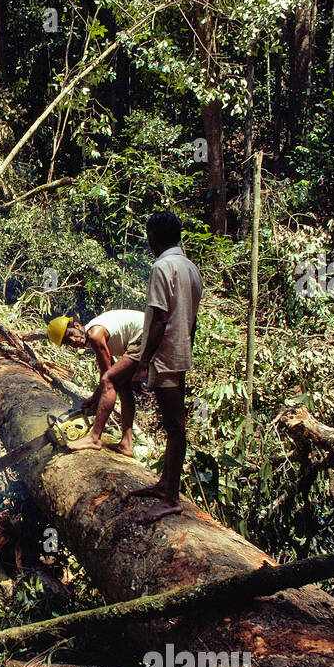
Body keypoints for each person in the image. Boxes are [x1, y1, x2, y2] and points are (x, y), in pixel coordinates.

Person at [128, 211, 203, 520]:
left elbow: (159, 318)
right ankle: (166, 484)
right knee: (174, 423)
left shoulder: (162, 267)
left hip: (165, 355)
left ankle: (171, 496)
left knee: (174, 425)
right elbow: (193, 320)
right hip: (179, 353)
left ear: (153, 238)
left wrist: (143, 362)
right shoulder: (190, 268)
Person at [47, 308, 146, 455]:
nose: (73, 341)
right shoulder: (92, 336)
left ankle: (94, 438)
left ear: (77, 326)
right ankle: (126, 443)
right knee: (122, 385)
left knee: (109, 380)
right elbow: (111, 369)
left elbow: (106, 376)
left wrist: (95, 398)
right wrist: (94, 398)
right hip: (145, 334)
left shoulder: (94, 334)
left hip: (146, 333)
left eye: (71, 335)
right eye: (68, 342)